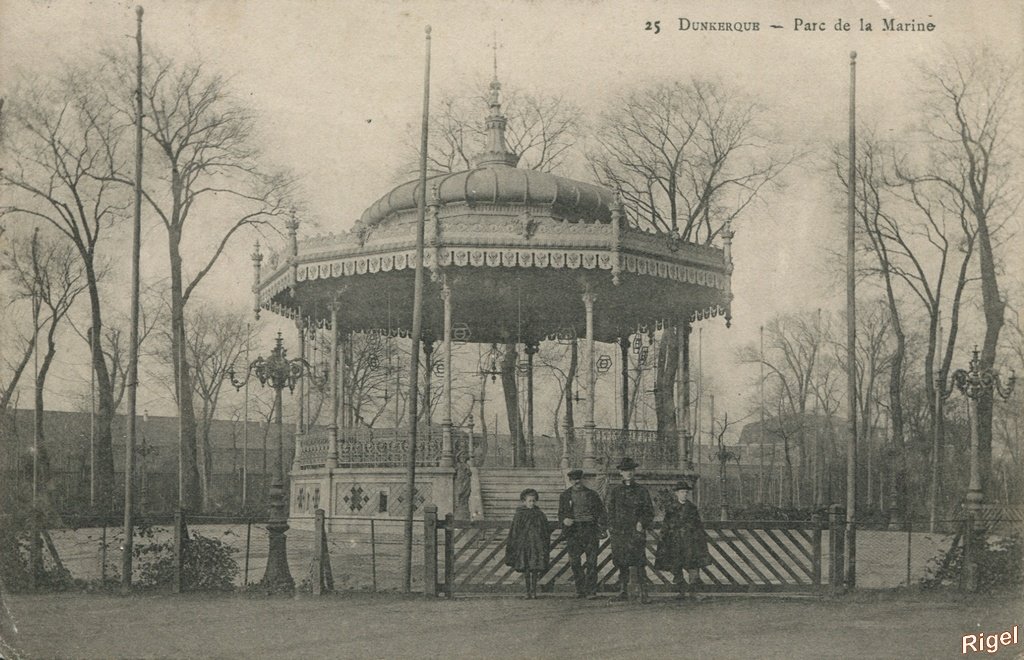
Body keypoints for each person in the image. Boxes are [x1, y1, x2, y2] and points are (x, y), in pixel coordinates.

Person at [605, 457, 654, 603]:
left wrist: (642, 523)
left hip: (635, 532)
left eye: (631, 470)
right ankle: (623, 592)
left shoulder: (641, 491)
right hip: (620, 533)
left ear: (634, 472)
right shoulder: (615, 491)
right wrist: (612, 528)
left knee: (639, 563)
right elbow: (610, 512)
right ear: (620, 472)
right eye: (625, 471)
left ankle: (643, 594)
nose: (628, 473)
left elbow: (649, 511)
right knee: (621, 563)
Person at [654, 479, 712, 601]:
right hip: (675, 542)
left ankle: (694, 592)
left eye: (686, 492)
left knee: (693, 566)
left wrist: (699, 538)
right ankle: (681, 591)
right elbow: (666, 525)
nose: (684, 494)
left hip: (690, 542)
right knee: (676, 566)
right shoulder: (671, 508)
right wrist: (663, 538)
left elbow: (698, 525)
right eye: (681, 492)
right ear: (677, 493)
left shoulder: (692, 508)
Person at [558, 468, 607, 598]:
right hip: (574, 531)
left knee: (591, 561)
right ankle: (580, 590)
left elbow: (602, 513)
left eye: (579, 479)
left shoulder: (592, 495)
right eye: (574, 480)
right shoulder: (565, 496)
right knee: (574, 562)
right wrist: (564, 520)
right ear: (570, 481)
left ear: (583, 479)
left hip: (590, 529)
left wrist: (602, 528)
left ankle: (591, 591)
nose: (577, 482)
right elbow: (561, 514)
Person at [505, 488, 550, 599]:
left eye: (533, 501)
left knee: (534, 568)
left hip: (536, 545)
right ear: (524, 501)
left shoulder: (540, 514)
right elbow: (515, 531)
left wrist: (543, 543)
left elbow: (545, 530)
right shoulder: (519, 514)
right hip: (524, 545)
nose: (531, 503)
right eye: (529, 501)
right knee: (526, 569)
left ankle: (534, 591)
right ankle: (527, 591)